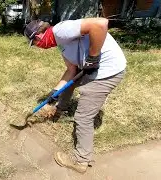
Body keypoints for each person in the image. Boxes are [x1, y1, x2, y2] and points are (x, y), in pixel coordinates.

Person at [24, 18, 126, 173]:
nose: (39, 47)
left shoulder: (60, 30)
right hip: (93, 69)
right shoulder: (63, 44)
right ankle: (60, 109)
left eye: (36, 44)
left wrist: (93, 57)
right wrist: (54, 92)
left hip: (107, 71)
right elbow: (71, 71)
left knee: (83, 117)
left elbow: (100, 24)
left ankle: (80, 160)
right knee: (67, 85)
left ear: (38, 37)